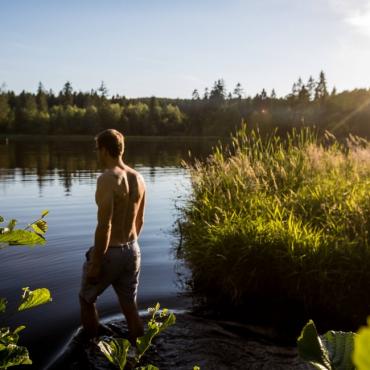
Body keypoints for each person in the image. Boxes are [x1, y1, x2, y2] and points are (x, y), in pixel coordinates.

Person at [79, 129, 145, 343]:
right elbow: (140, 221)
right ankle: (139, 353)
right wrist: (128, 250)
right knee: (130, 307)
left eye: (97, 150)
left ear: (105, 150)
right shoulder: (139, 178)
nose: (97, 154)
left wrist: (97, 263)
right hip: (133, 250)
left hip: (110, 252)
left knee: (86, 299)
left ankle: (91, 349)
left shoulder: (108, 179)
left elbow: (104, 225)